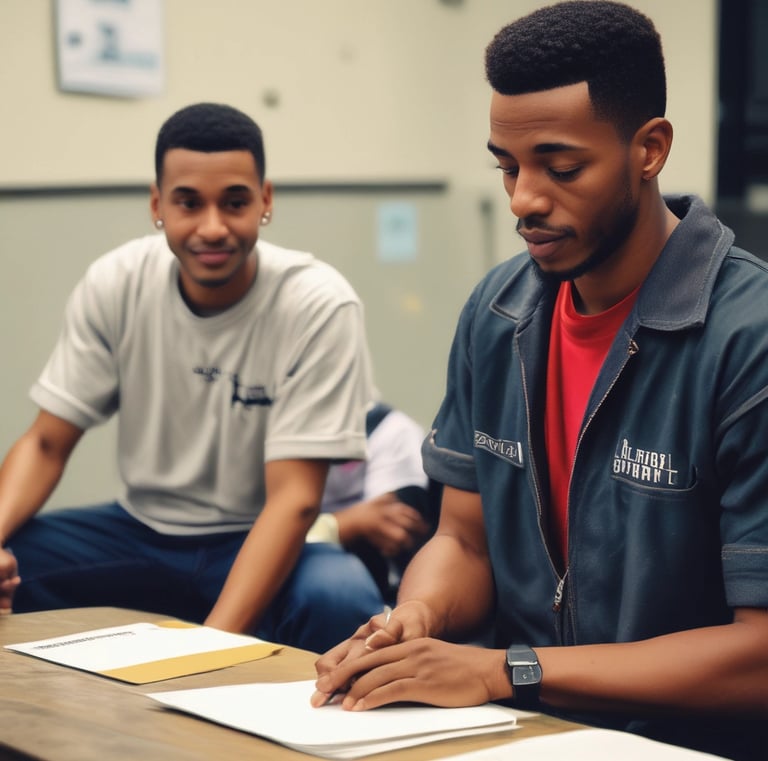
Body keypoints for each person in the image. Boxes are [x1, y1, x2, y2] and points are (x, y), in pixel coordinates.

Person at [311, 3, 768, 759]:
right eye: (506, 166)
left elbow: (759, 656)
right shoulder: (498, 312)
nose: (523, 198)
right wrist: (415, 617)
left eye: (560, 168)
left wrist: (507, 670)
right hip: (523, 730)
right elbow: (464, 537)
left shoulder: (746, 340)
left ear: (648, 149)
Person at [0, 102, 384, 653]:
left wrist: (207, 649)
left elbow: (295, 501)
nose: (212, 227)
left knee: (341, 597)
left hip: (258, 535)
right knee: (16, 562)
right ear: (158, 205)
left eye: (234, 203)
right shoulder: (117, 281)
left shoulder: (318, 302)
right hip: (137, 531)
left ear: (265, 201)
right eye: (188, 203)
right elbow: (44, 442)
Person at [307, 402, 435, 604]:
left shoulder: (392, 430)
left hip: (381, 589)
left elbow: (393, 527)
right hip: (286, 570)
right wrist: (348, 524)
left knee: (340, 587)